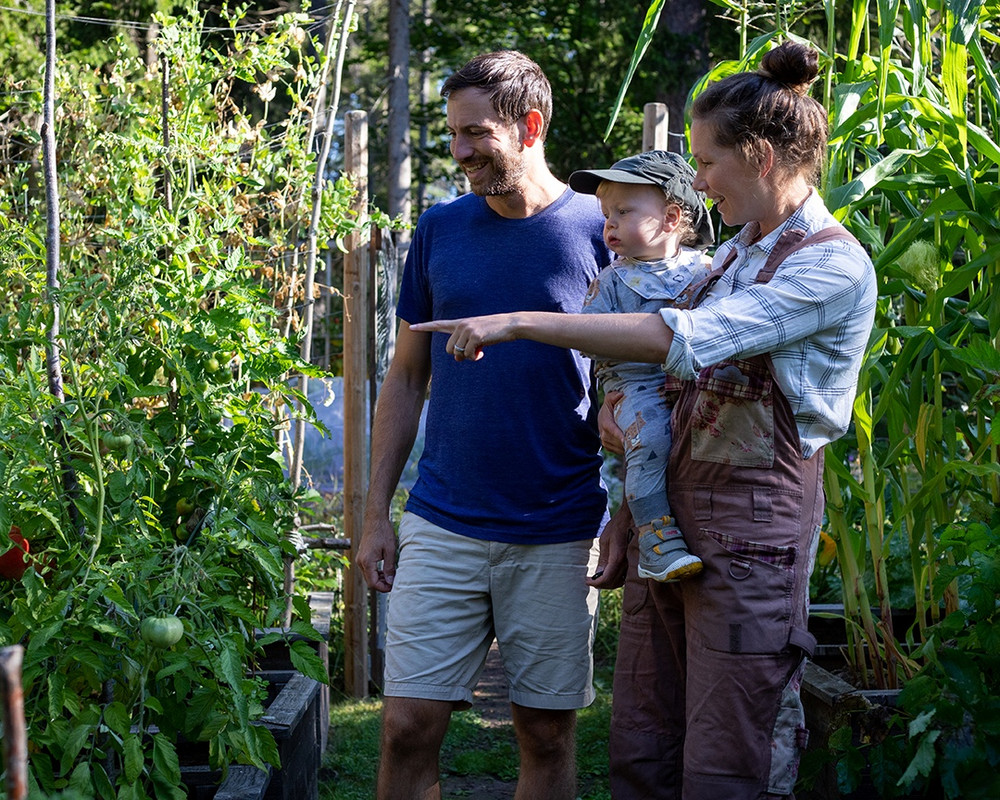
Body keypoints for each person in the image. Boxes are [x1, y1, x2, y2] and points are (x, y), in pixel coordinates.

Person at [411, 40, 878, 799]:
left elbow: (677, 342)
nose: (697, 183)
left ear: (759, 156)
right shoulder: (735, 257)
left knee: (731, 752)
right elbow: (664, 395)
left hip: (754, 531)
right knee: (645, 738)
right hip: (675, 524)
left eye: (707, 163)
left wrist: (524, 322)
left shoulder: (827, 265)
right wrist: (630, 509)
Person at [356, 50, 618, 800]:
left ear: (530, 126)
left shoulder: (598, 232)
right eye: (454, 136)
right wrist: (377, 515)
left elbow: (632, 387)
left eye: (477, 134)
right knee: (407, 725)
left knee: (544, 733)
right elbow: (406, 377)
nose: (462, 152)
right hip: (444, 518)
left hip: (558, 522)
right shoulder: (440, 230)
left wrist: (628, 510)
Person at [569, 150, 714, 582]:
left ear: (671, 218)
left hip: (693, 381)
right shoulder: (612, 280)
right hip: (637, 384)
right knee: (650, 439)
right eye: (606, 213)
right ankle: (655, 540)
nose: (608, 223)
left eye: (622, 211)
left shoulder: (708, 270)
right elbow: (587, 335)